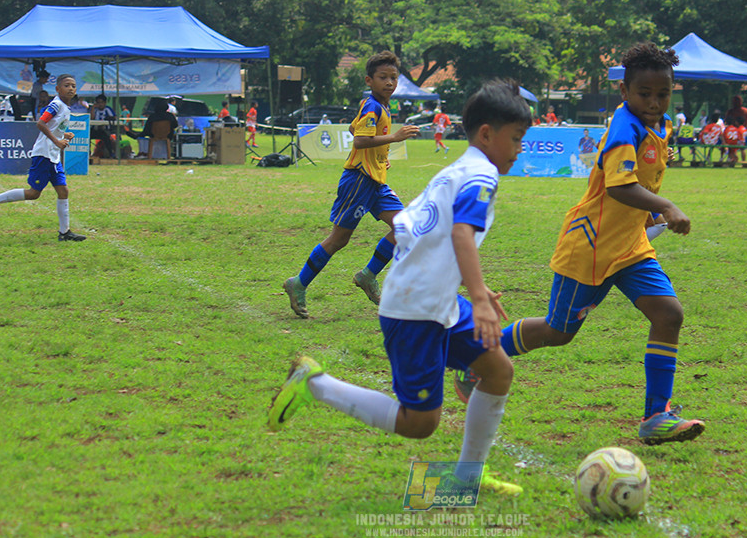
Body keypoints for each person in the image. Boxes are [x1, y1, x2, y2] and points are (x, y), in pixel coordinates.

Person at [268, 80, 531, 497]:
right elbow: (461, 233)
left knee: (498, 369)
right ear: (486, 133)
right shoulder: (480, 176)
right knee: (420, 422)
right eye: (516, 139)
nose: (519, 149)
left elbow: (420, 234)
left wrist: (467, 286)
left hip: (432, 297)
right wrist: (478, 298)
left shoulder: (455, 171)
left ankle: (466, 478)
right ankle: (313, 384)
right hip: (416, 308)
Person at [455, 42, 704, 446]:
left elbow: (643, 178)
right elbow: (622, 187)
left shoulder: (658, 125)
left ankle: (656, 415)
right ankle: (474, 356)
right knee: (558, 331)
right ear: (624, 92)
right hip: (590, 249)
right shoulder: (625, 129)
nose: (655, 102)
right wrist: (666, 206)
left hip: (631, 248)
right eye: (645, 94)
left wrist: (651, 213)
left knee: (669, 314)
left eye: (663, 94)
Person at [283, 51, 419, 319]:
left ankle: (367, 275)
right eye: (383, 78)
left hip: (375, 181)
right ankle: (298, 283)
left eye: (393, 78)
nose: (390, 82)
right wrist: (395, 137)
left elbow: (353, 131)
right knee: (339, 239)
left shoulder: (378, 105)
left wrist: (379, 158)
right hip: (358, 180)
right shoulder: (372, 106)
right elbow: (359, 141)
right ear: (370, 80)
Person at [0, 74, 86, 242]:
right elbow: (41, 123)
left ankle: (64, 233)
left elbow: (52, 127)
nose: (71, 88)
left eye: (73, 85)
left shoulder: (65, 107)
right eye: (67, 85)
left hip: (53, 156)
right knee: (34, 193)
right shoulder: (56, 105)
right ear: (57, 89)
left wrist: (64, 135)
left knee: (63, 191)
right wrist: (57, 140)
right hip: (44, 154)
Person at [725, 96, 747, 161]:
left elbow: (727, 120)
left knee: (732, 147)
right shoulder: (746, 111)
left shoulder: (731, 111)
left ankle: (733, 159)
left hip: (733, 132)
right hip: (743, 131)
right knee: (742, 148)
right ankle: (743, 162)